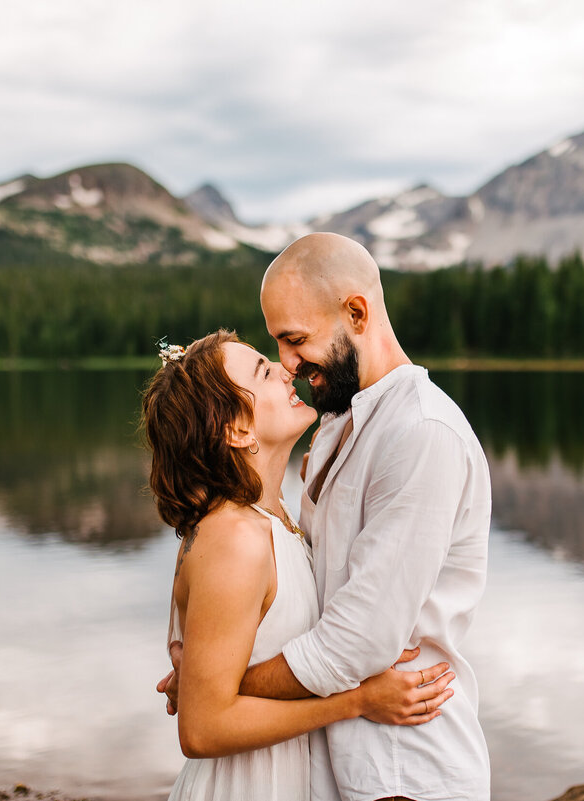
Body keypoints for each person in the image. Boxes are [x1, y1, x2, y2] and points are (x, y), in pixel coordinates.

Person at [160, 233, 493, 801]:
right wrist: (209, 679)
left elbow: (356, 642)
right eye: (274, 352)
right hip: (337, 766)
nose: (288, 365)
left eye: (294, 341)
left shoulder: (420, 433)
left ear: (356, 313)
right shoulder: (338, 425)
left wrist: (216, 683)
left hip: (404, 766)